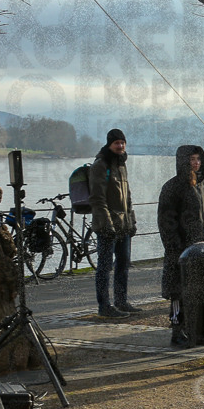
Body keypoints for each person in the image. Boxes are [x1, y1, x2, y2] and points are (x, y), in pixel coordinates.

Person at [157, 145, 204, 347]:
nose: (196, 163)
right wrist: (175, 249)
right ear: (183, 161)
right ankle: (177, 333)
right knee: (178, 294)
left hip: (203, 249)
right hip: (180, 252)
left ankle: (196, 331)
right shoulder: (172, 188)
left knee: (200, 292)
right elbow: (166, 223)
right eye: (191, 159)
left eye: (198, 159)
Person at [90, 128, 139, 318]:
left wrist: (131, 221)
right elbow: (97, 199)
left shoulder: (121, 165)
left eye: (122, 143)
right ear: (109, 144)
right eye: (117, 143)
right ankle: (105, 306)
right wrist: (107, 225)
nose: (120, 146)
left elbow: (127, 197)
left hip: (124, 225)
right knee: (104, 266)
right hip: (107, 226)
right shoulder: (100, 165)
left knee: (123, 264)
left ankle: (121, 301)